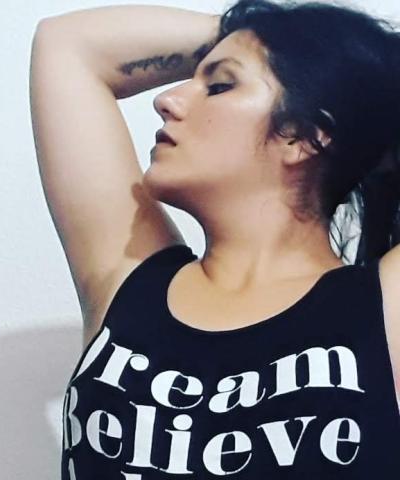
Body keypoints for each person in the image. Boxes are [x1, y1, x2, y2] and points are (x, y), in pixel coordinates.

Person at [29, 0, 400, 477]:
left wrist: (332, 56)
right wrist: (267, 31)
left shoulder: (383, 308)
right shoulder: (129, 279)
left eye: (221, 85)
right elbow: (67, 45)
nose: (167, 100)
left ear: (301, 135)